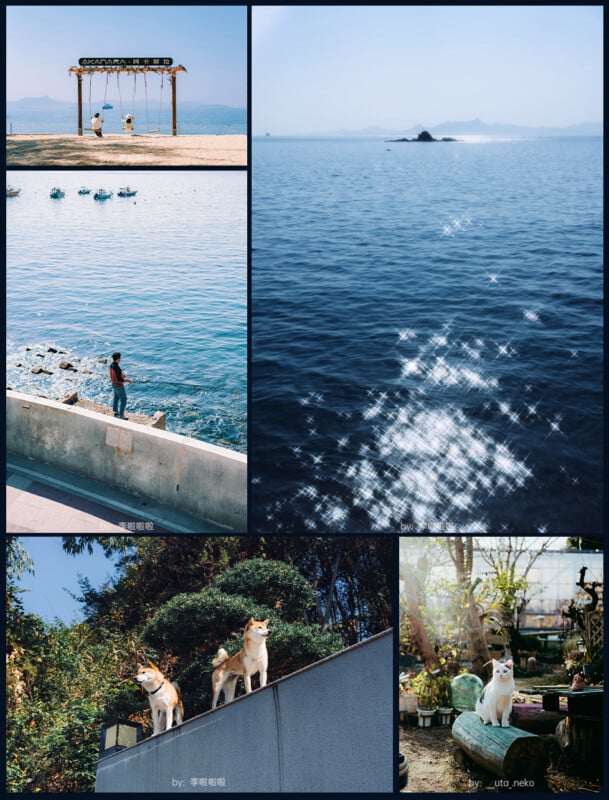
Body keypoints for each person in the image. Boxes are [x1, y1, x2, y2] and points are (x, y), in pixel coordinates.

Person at [109, 352, 132, 418]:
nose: (120, 359)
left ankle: (116, 411)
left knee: (116, 397)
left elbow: (116, 375)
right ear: (118, 359)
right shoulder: (117, 367)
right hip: (119, 385)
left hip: (113, 384)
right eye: (120, 357)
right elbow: (119, 379)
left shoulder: (112, 365)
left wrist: (121, 375)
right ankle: (121, 415)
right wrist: (127, 380)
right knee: (124, 400)